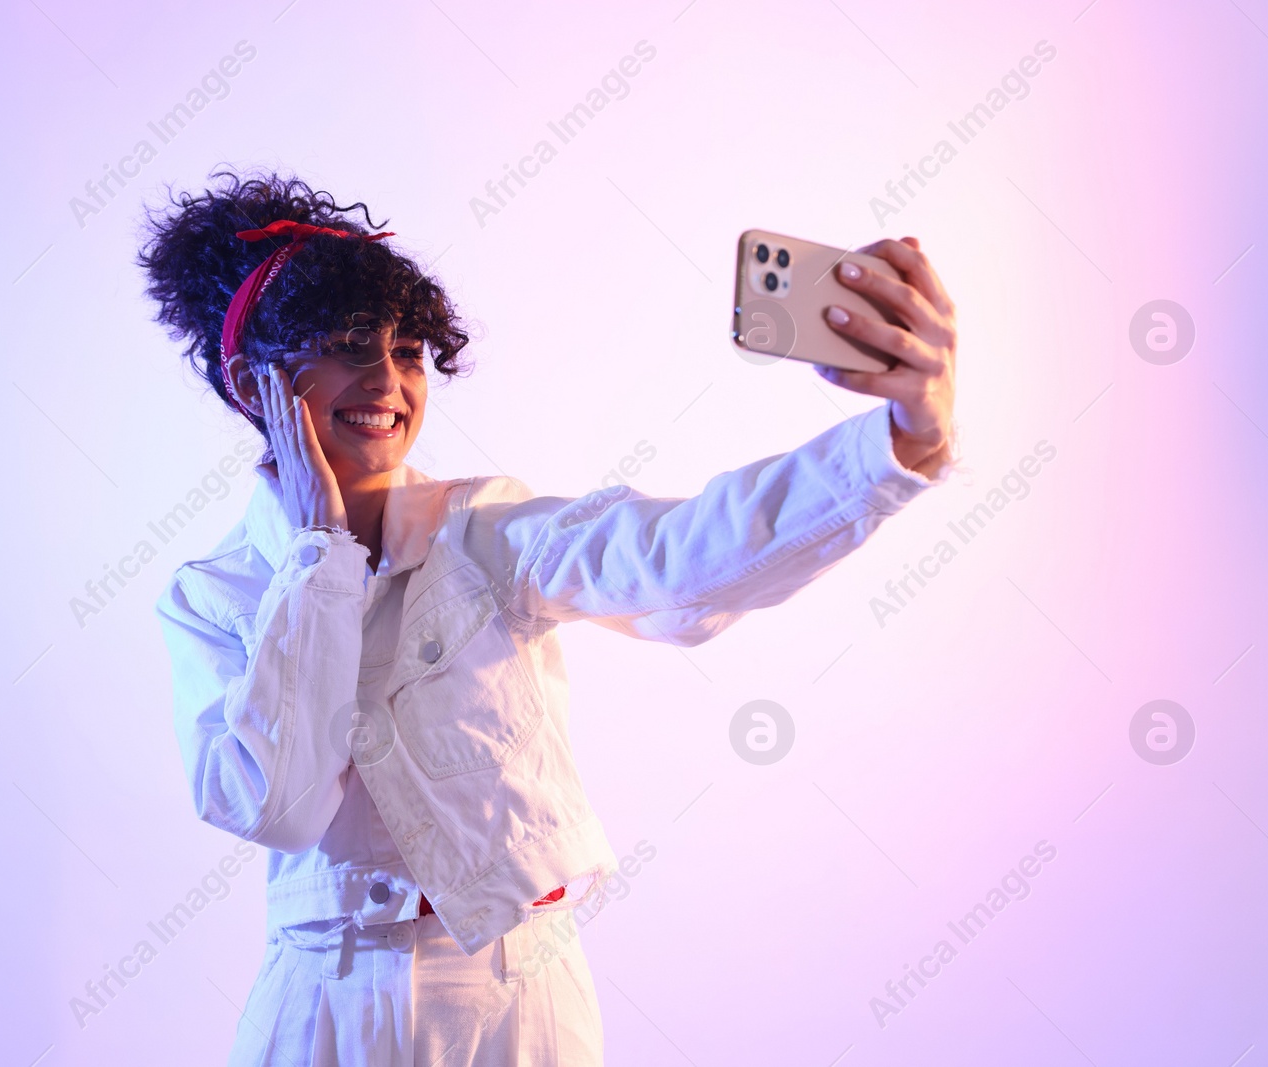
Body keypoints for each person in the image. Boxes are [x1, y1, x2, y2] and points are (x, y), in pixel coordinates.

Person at [140, 170, 957, 1067]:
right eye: (346, 345)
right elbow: (280, 805)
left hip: (519, 991)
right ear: (254, 383)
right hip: (323, 1000)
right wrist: (320, 553)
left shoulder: (490, 531)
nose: (388, 380)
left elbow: (676, 556)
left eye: (409, 351)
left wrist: (897, 442)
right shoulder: (214, 595)